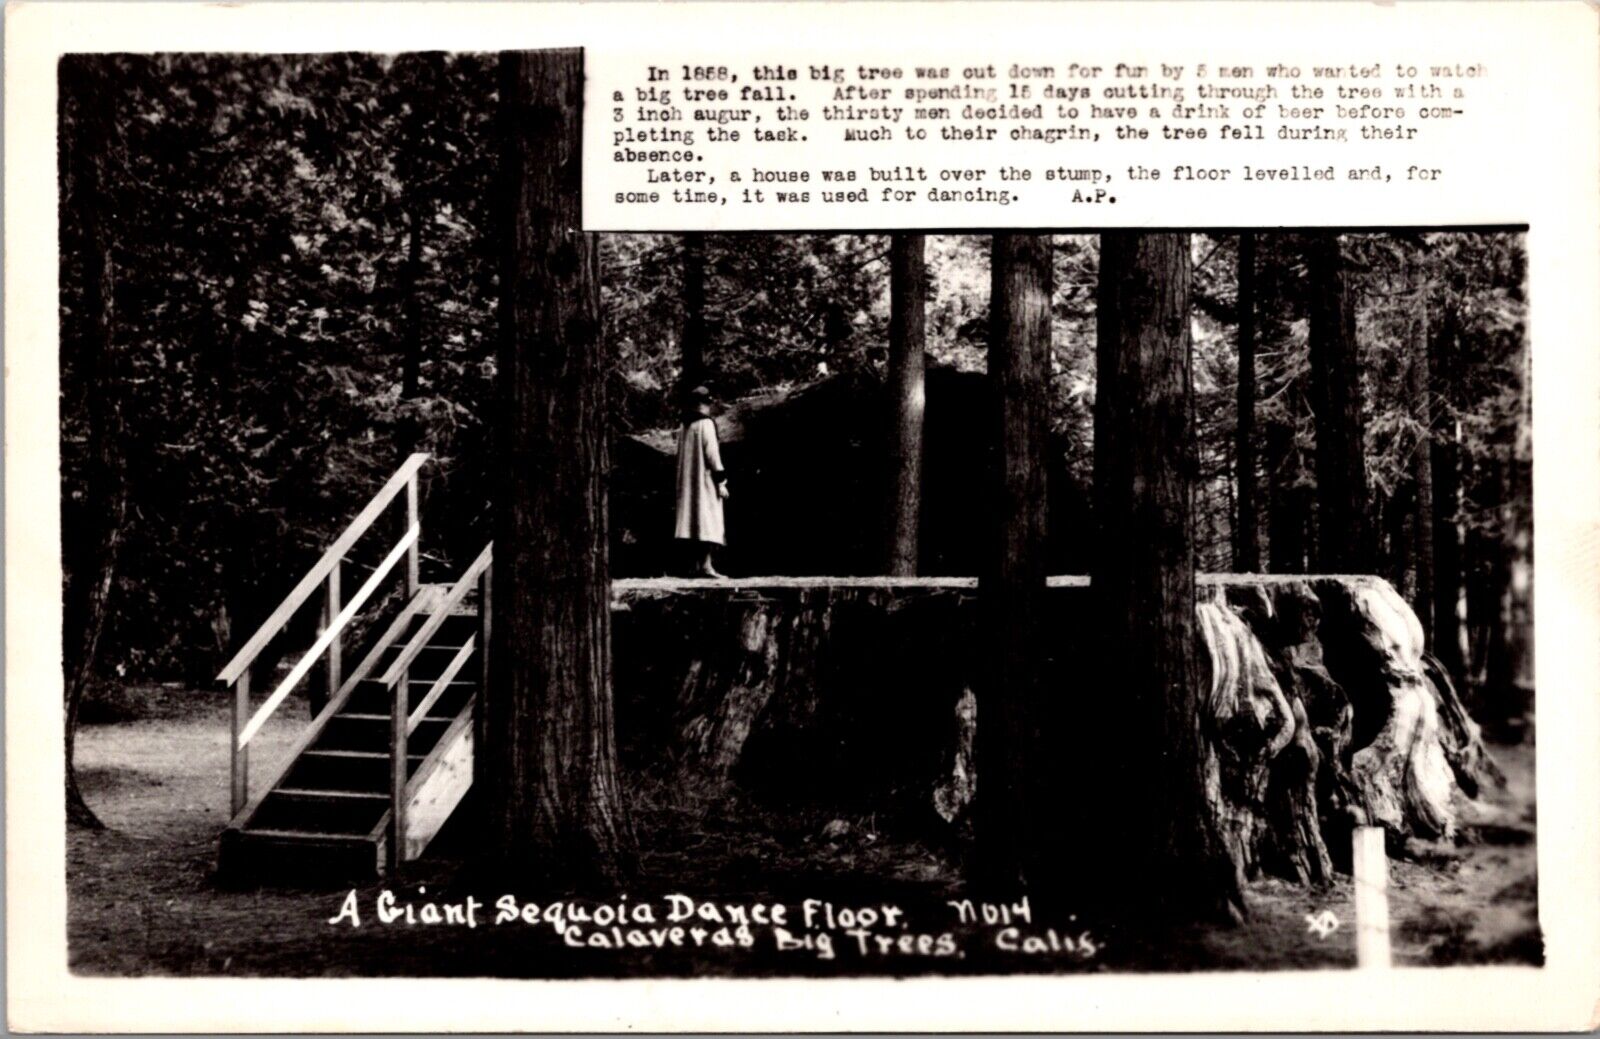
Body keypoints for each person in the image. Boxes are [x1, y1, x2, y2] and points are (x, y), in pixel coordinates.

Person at [674, 385, 729, 577]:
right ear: (705, 404)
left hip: (688, 484)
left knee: (692, 522)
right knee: (708, 521)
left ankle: (694, 566)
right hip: (704, 482)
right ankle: (706, 566)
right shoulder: (706, 424)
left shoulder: (683, 425)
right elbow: (712, 454)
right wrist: (721, 480)